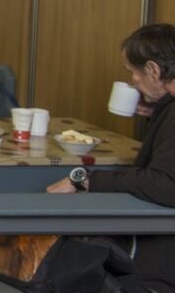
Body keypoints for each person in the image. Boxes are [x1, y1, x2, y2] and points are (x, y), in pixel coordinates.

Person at [47, 23, 175, 292]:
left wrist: (87, 180)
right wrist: (156, 112)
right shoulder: (169, 109)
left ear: (153, 70)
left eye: (132, 72)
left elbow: (166, 184)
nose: (132, 81)